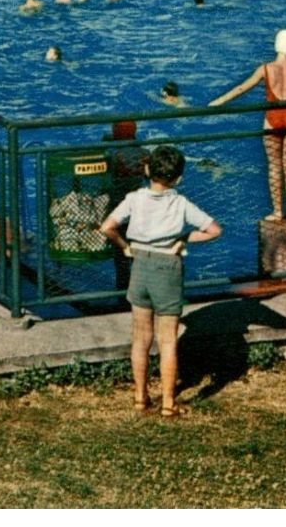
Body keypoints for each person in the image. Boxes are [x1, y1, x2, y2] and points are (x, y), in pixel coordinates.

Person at [98, 145, 220, 418]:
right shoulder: (180, 204)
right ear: (178, 178)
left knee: (140, 339)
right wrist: (185, 239)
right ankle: (168, 403)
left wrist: (125, 247)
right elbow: (214, 230)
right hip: (168, 267)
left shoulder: (133, 199)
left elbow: (107, 227)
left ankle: (141, 398)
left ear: (146, 170)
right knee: (167, 341)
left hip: (139, 265)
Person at [210, 28, 286, 221]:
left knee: (274, 166)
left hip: (272, 120)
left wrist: (219, 101)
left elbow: (242, 88)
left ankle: (277, 211)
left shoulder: (266, 69)